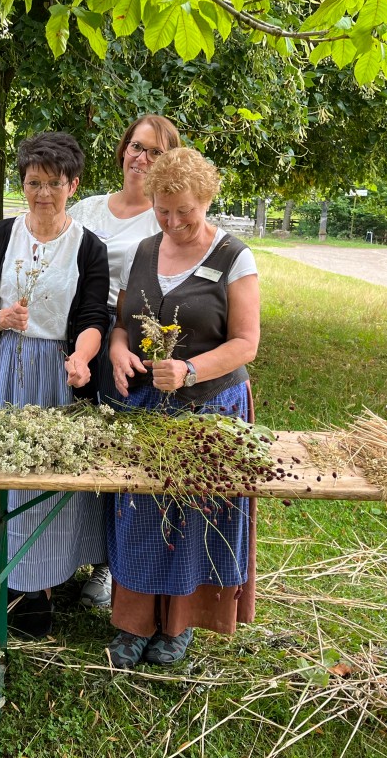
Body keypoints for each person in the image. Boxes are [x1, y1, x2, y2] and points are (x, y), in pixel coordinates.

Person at [105, 147, 260, 668]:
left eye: (184, 212)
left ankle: (180, 625)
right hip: (147, 407)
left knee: (195, 516)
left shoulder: (233, 257)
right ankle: (132, 623)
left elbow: (245, 343)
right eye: (163, 211)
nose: (173, 223)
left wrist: (191, 370)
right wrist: (119, 350)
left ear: (207, 199)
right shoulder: (145, 250)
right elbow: (123, 324)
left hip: (211, 404)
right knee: (139, 514)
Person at [0, 132, 110, 637]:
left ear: (74, 184)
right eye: (33, 182)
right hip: (0, 368)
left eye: (54, 183)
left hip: (53, 378)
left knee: (43, 483)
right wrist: (1, 318)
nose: (43, 193)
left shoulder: (89, 247)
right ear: (22, 183)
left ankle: (38, 588)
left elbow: (92, 318)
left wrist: (82, 360)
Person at [68, 114, 182, 609]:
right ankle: (64, 554)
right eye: (137, 147)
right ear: (122, 150)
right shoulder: (89, 209)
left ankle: (110, 568)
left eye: (156, 152)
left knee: (119, 458)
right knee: (74, 451)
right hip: (76, 338)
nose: (142, 158)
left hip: (129, 345)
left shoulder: (164, 217)